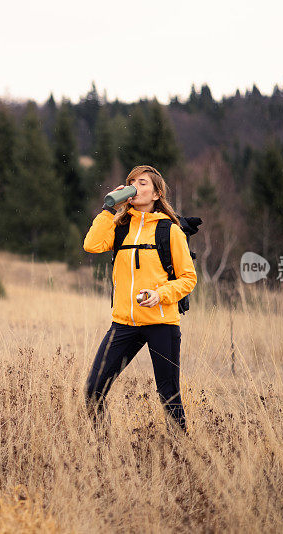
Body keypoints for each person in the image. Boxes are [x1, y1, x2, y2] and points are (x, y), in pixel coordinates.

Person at [82, 164, 197, 432]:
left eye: (142, 182)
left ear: (157, 193)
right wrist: (108, 208)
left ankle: (181, 455)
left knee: (169, 397)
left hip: (161, 323)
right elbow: (91, 245)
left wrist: (160, 295)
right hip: (124, 323)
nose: (135, 185)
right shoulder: (120, 226)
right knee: (93, 391)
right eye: (131, 181)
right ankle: (102, 450)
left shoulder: (170, 230)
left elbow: (188, 279)